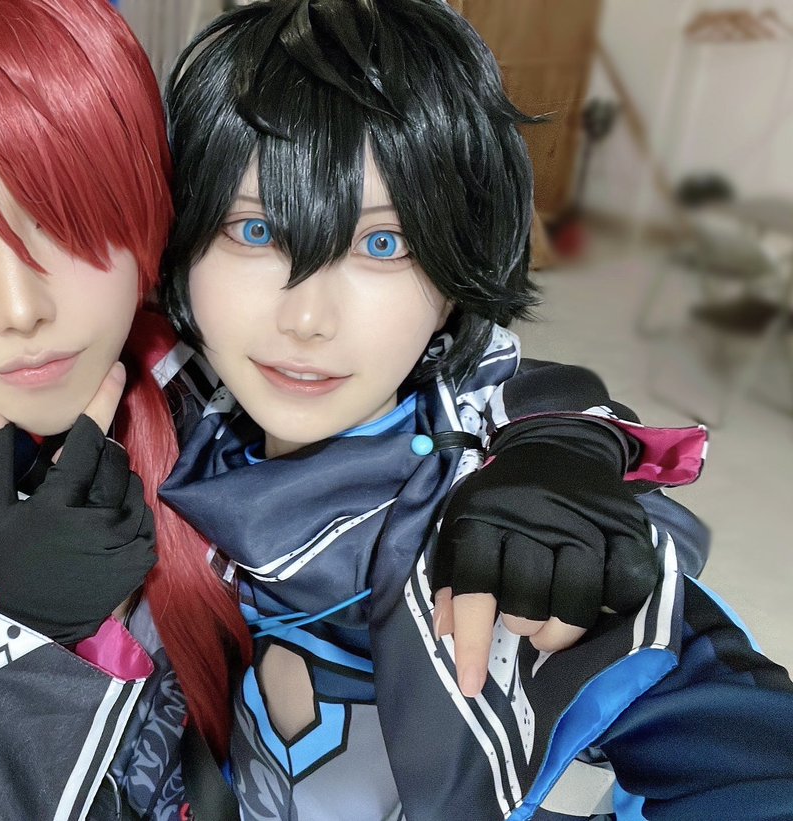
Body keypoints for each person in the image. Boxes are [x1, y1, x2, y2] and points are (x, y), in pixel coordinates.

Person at [0, 0, 699, 818]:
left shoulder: (217, 389)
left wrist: (559, 445)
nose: (21, 309)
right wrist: (23, 644)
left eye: (66, 216)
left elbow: (443, 369)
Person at [148, 1, 793, 818]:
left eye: (382, 243)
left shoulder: (493, 526)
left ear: (455, 281)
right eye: (255, 230)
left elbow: (747, 754)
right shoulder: (162, 434)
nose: (306, 318)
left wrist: (563, 454)